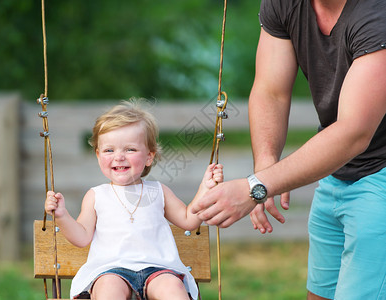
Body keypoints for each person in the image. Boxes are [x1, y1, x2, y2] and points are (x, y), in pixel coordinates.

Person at [191, 0, 386, 299]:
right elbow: (271, 91)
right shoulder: (284, 3)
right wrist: (266, 168)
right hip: (336, 175)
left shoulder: (377, 13)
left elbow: (354, 132)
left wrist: (254, 187)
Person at [45, 100, 223, 300]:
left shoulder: (158, 191)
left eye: (129, 149)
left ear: (149, 156)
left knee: (172, 288)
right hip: (111, 270)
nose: (119, 157)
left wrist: (205, 188)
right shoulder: (96, 195)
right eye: (109, 150)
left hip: (159, 269)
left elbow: (189, 220)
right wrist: (62, 215)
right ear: (98, 155)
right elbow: (82, 237)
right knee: (108, 289)